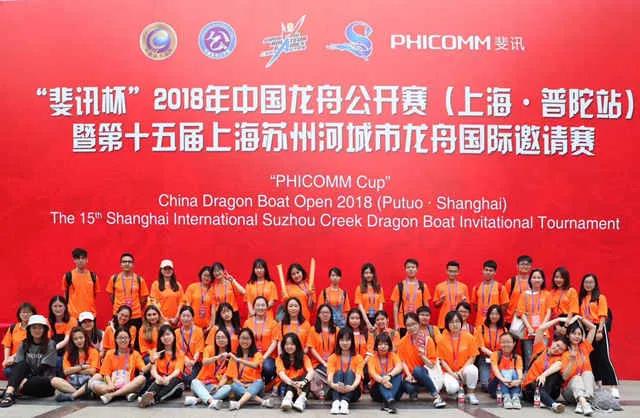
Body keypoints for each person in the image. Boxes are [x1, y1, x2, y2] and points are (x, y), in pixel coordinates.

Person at [0, 315, 59, 407]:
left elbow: (43, 368)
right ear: (29, 330)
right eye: (34, 328)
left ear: (44, 330)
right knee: (20, 365)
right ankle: (9, 393)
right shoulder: (24, 343)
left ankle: (10, 390)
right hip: (26, 380)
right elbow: (19, 365)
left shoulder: (50, 344)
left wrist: (26, 379)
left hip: (43, 381)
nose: (37, 330)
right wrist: (25, 378)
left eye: (40, 328)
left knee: (35, 381)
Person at [579, 273, 619, 398]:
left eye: (591, 282)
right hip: (587, 330)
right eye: (586, 282)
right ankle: (598, 384)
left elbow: (603, 315)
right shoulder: (582, 298)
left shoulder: (600, 297)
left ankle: (613, 386)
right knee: (592, 358)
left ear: (595, 284)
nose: (588, 285)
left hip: (598, 328)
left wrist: (600, 331)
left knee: (604, 357)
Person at [89, 327, 152, 404]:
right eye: (120, 338)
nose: (123, 340)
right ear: (116, 339)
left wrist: (151, 362)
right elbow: (106, 373)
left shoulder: (135, 354)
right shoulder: (109, 353)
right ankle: (125, 393)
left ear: (129, 339)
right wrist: (110, 384)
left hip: (129, 385)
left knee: (142, 378)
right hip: (112, 386)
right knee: (93, 383)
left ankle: (112, 395)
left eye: (125, 338)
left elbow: (143, 369)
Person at [215, 328, 274, 410]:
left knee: (259, 382)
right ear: (239, 339)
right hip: (241, 387)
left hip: (255, 386)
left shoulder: (257, 355)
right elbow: (234, 377)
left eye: (247, 338)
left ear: (252, 340)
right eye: (242, 338)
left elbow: (255, 365)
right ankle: (262, 401)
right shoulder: (235, 356)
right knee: (233, 385)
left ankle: (239, 403)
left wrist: (239, 360)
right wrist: (242, 385)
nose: (244, 341)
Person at [521, 317, 570, 412]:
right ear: (553, 342)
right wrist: (557, 320)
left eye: (560, 349)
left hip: (548, 389)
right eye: (557, 345)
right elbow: (540, 329)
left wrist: (543, 375)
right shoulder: (540, 349)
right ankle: (553, 404)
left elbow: (558, 365)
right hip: (530, 390)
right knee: (534, 383)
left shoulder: (559, 358)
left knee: (555, 374)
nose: (557, 349)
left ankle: (544, 400)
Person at [398, 313, 446, 408]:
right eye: (408, 325)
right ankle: (414, 392)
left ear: (419, 324)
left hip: (425, 374)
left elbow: (432, 365)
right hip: (411, 376)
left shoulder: (428, 340)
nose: (411, 327)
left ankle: (436, 395)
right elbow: (402, 361)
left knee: (417, 370)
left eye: (414, 324)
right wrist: (408, 375)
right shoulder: (402, 341)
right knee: (408, 387)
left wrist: (422, 356)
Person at [438, 311, 480, 405]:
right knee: (451, 389)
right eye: (451, 322)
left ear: (461, 322)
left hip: (463, 371)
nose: (455, 324)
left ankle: (470, 394)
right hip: (449, 372)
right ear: (447, 324)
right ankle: (458, 390)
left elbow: (472, 357)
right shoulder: (442, 339)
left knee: (473, 369)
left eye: (457, 321)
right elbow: (442, 360)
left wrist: (461, 370)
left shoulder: (469, 337)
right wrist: (452, 373)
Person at [138, 324, 185, 407]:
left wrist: (168, 378)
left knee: (172, 382)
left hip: (175, 381)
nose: (166, 337)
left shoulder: (180, 353)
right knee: (157, 382)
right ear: (160, 339)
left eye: (168, 334)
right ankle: (148, 396)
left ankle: (153, 399)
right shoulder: (155, 352)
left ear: (173, 336)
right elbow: (153, 370)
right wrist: (158, 377)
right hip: (160, 380)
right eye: (162, 336)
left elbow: (177, 371)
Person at [185, 327, 232, 408]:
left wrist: (218, 386)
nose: (220, 340)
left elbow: (226, 376)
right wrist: (217, 357)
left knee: (228, 387)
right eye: (218, 337)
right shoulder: (209, 349)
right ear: (215, 339)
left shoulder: (231, 356)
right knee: (194, 382)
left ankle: (198, 400)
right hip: (202, 384)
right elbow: (204, 361)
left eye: (223, 337)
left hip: (215, 387)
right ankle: (211, 401)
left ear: (228, 339)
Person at [516, 268, 551, 371]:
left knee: (541, 355)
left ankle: (540, 377)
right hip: (528, 331)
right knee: (528, 356)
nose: (536, 280)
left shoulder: (547, 294)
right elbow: (521, 312)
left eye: (539, 277)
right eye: (534, 277)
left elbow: (548, 312)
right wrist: (529, 327)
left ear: (543, 280)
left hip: (543, 331)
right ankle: (529, 377)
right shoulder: (524, 294)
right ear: (530, 279)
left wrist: (542, 327)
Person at [53, 326, 101, 402]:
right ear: (72, 341)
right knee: (54, 380)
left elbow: (92, 371)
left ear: (85, 338)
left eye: (81, 338)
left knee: (98, 376)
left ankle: (73, 395)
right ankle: (81, 393)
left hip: (87, 382)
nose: (79, 341)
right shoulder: (68, 353)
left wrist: (73, 370)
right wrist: (82, 367)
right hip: (72, 383)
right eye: (75, 339)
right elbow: (65, 372)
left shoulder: (93, 351)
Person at [562, 318, 597, 416]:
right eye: (574, 333)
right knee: (577, 378)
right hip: (570, 392)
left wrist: (579, 317)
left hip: (585, 391)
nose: (577, 336)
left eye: (579, 334)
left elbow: (593, 328)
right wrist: (572, 360)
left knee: (588, 373)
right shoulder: (565, 352)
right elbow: (564, 377)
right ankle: (584, 403)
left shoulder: (584, 347)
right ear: (568, 335)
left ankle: (582, 402)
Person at [106, 253, 149, 329]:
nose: (127, 264)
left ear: (133, 264)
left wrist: (135, 307)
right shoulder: (114, 278)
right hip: (119, 315)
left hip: (135, 315)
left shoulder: (139, 280)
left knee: (135, 336)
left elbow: (143, 299)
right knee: (118, 335)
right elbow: (111, 296)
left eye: (129, 262)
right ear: (120, 264)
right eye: (124, 261)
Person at [327, 327, 364, 414]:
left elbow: (358, 377)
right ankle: (336, 403)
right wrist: (333, 385)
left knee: (350, 372)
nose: (345, 343)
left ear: (352, 341)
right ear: (338, 341)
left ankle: (344, 403)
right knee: (339, 372)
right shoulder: (332, 357)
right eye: (342, 340)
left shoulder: (358, 358)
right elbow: (330, 377)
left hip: (352, 391)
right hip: (336, 390)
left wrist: (352, 387)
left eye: (347, 340)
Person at [244, 296, 279, 385]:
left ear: (267, 307)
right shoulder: (248, 322)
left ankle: (266, 384)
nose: (260, 307)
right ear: (254, 307)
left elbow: (274, 342)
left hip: (267, 356)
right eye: (258, 305)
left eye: (263, 305)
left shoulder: (273, 323)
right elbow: (244, 340)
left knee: (267, 368)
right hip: (252, 355)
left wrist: (263, 357)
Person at [391, 258, 431, 334]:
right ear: (405, 269)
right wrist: (396, 324)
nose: (411, 269)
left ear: (417, 269)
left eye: (413, 267)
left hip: (419, 321)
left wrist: (427, 322)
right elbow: (395, 306)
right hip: (403, 322)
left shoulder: (423, 286)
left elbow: (426, 305)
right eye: (408, 267)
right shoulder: (400, 286)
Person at [276, 332, 315, 412]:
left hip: (300, 387)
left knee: (306, 379)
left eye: (292, 344)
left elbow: (311, 371)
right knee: (295, 380)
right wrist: (293, 383)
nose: (289, 347)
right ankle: (288, 397)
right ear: (283, 346)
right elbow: (281, 374)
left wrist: (303, 383)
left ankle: (300, 400)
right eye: (287, 344)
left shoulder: (304, 357)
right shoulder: (280, 358)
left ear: (297, 345)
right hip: (285, 385)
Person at [307, 304, 338, 399]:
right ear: (319, 315)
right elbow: (311, 348)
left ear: (331, 315)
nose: (325, 315)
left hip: (333, 362)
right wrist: (323, 362)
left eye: (327, 312)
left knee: (336, 375)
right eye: (323, 312)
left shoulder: (336, 330)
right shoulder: (313, 330)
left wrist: (330, 361)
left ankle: (326, 391)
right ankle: (323, 391)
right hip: (317, 363)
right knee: (314, 375)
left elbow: (338, 348)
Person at [368, 332, 402, 414]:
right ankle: (389, 400)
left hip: (392, 388)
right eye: (380, 344)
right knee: (382, 375)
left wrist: (389, 376)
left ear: (389, 346)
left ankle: (388, 402)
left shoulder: (393, 355)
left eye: (385, 344)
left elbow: (399, 366)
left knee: (398, 375)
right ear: (376, 346)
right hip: (377, 392)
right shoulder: (372, 358)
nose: (383, 346)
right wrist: (383, 380)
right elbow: (372, 373)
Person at [474, 304, 507, 391]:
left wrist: (497, 356)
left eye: (496, 314)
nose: (494, 316)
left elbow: (506, 346)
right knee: (485, 385)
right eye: (492, 314)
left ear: (500, 316)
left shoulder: (504, 330)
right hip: (485, 359)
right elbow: (481, 347)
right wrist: (493, 355)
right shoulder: (481, 328)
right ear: (488, 315)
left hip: (499, 359)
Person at [489, 332, 523, 409]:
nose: (506, 344)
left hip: (512, 384)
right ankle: (506, 398)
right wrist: (503, 379)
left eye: (508, 342)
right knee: (504, 372)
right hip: (496, 386)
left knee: (514, 372)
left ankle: (515, 398)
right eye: (503, 342)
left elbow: (519, 372)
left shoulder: (517, 357)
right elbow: (495, 370)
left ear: (514, 343)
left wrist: (518, 381)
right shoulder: (495, 355)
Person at [2, 302, 36, 379]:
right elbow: (7, 345)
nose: (25, 314)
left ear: (33, 314)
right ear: (19, 314)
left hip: (30, 360)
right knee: (8, 371)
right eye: (23, 312)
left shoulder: (35, 328)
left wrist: (13, 357)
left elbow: (30, 346)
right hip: (15, 362)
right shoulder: (13, 327)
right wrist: (6, 359)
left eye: (28, 312)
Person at [63, 248, 99, 319]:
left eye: (83, 258)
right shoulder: (68, 276)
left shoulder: (93, 277)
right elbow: (65, 295)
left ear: (87, 260)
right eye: (77, 258)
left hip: (90, 315)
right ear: (74, 260)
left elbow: (94, 295)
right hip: (73, 315)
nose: (80, 260)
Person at [471, 260, 509, 328]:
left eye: (491, 270)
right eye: (486, 270)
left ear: (495, 272)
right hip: (479, 323)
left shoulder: (500, 287)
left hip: (495, 323)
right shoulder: (476, 287)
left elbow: (504, 306)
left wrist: (495, 316)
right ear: (483, 271)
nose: (488, 272)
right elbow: (475, 305)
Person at [433, 261, 469, 329]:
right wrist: (441, 300)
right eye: (450, 271)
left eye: (455, 271)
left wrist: (464, 302)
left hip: (458, 321)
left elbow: (467, 307)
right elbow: (435, 305)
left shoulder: (464, 287)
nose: (452, 273)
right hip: (443, 321)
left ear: (458, 272)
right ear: (446, 271)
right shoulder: (439, 286)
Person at [175, 305, 205, 387]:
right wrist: (186, 361)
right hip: (182, 361)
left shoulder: (199, 331)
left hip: (195, 362)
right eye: (183, 316)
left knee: (190, 379)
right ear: (180, 317)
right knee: (179, 377)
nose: (186, 318)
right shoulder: (176, 332)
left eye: (188, 316)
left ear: (192, 317)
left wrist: (192, 362)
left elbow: (199, 350)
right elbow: (178, 350)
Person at [148, 259, 184, 327]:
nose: (167, 270)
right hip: (160, 320)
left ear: (172, 270)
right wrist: (163, 318)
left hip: (175, 321)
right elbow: (153, 303)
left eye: (169, 268)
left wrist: (176, 318)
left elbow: (181, 302)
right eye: (165, 268)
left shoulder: (178, 285)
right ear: (161, 270)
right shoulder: (155, 285)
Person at [48, 296, 77, 372]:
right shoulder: (47, 321)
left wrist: (53, 349)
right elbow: (47, 339)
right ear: (51, 308)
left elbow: (66, 340)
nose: (58, 309)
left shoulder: (72, 321)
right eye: (55, 306)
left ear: (65, 307)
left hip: (68, 353)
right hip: (52, 353)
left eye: (60, 306)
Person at [182, 266, 215, 330]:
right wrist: (188, 321)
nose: (206, 278)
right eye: (205, 275)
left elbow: (213, 310)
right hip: (192, 325)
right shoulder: (192, 287)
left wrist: (211, 325)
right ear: (201, 275)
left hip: (206, 326)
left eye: (209, 276)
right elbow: (187, 306)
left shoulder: (213, 291)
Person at [354, 262, 385, 331]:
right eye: (366, 273)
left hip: (377, 319)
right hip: (364, 318)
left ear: (373, 274)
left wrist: (377, 321)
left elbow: (381, 306)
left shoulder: (379, 288)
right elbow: (360, 307)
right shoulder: (359, 288)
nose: (368, 275)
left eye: (370, 273)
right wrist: (367, 323)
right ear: (363, 274)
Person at [504, 255, 532, 325]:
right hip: (511, 320)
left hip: (529, 320)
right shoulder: (511, 282)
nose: (524, 266)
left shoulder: (534, 282)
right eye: (522, 264)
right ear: (517, 266)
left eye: (527, 264)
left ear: (530, 266)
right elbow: (504, 303)